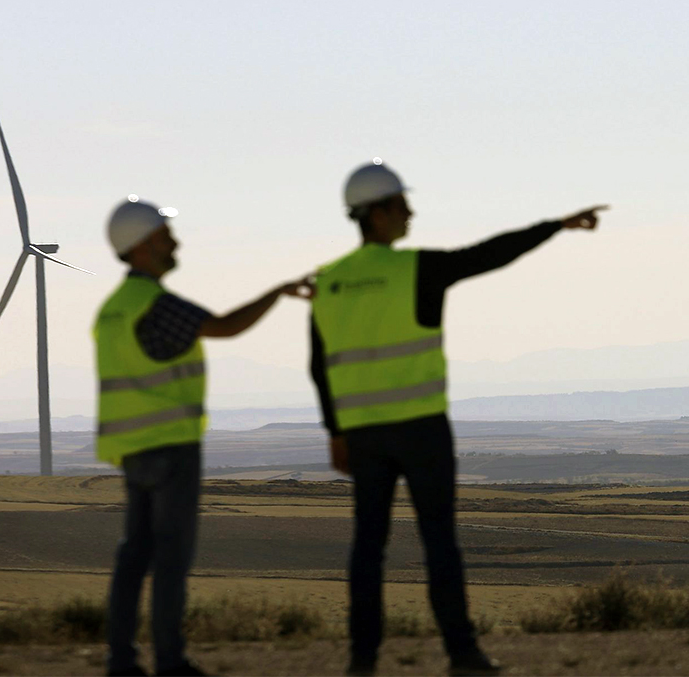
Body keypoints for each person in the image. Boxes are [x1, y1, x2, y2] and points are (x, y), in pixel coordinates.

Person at [310, 161, 606, 677]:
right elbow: (490, 254)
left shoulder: (329, 283)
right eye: (402, 204)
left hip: (363, 436)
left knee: (367, 548)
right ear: (377, 214)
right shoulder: (416, 269)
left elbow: (319, 365)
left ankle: (361, 662)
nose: (411, 212)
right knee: (440, 543)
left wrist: (335, 431)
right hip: (421, 428)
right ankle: (463, 655)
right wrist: (557, 225)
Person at [95, 196, 313, 677]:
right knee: (171, 556)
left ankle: (120, 660)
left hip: (132, 450)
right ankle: (170, 661)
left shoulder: (112, 309)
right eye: (165, 235)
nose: (175, 242)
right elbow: (226, 326)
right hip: (171, 447)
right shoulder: (157, 305)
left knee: (134, 553)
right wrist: (277, 292)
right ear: (141, 245)